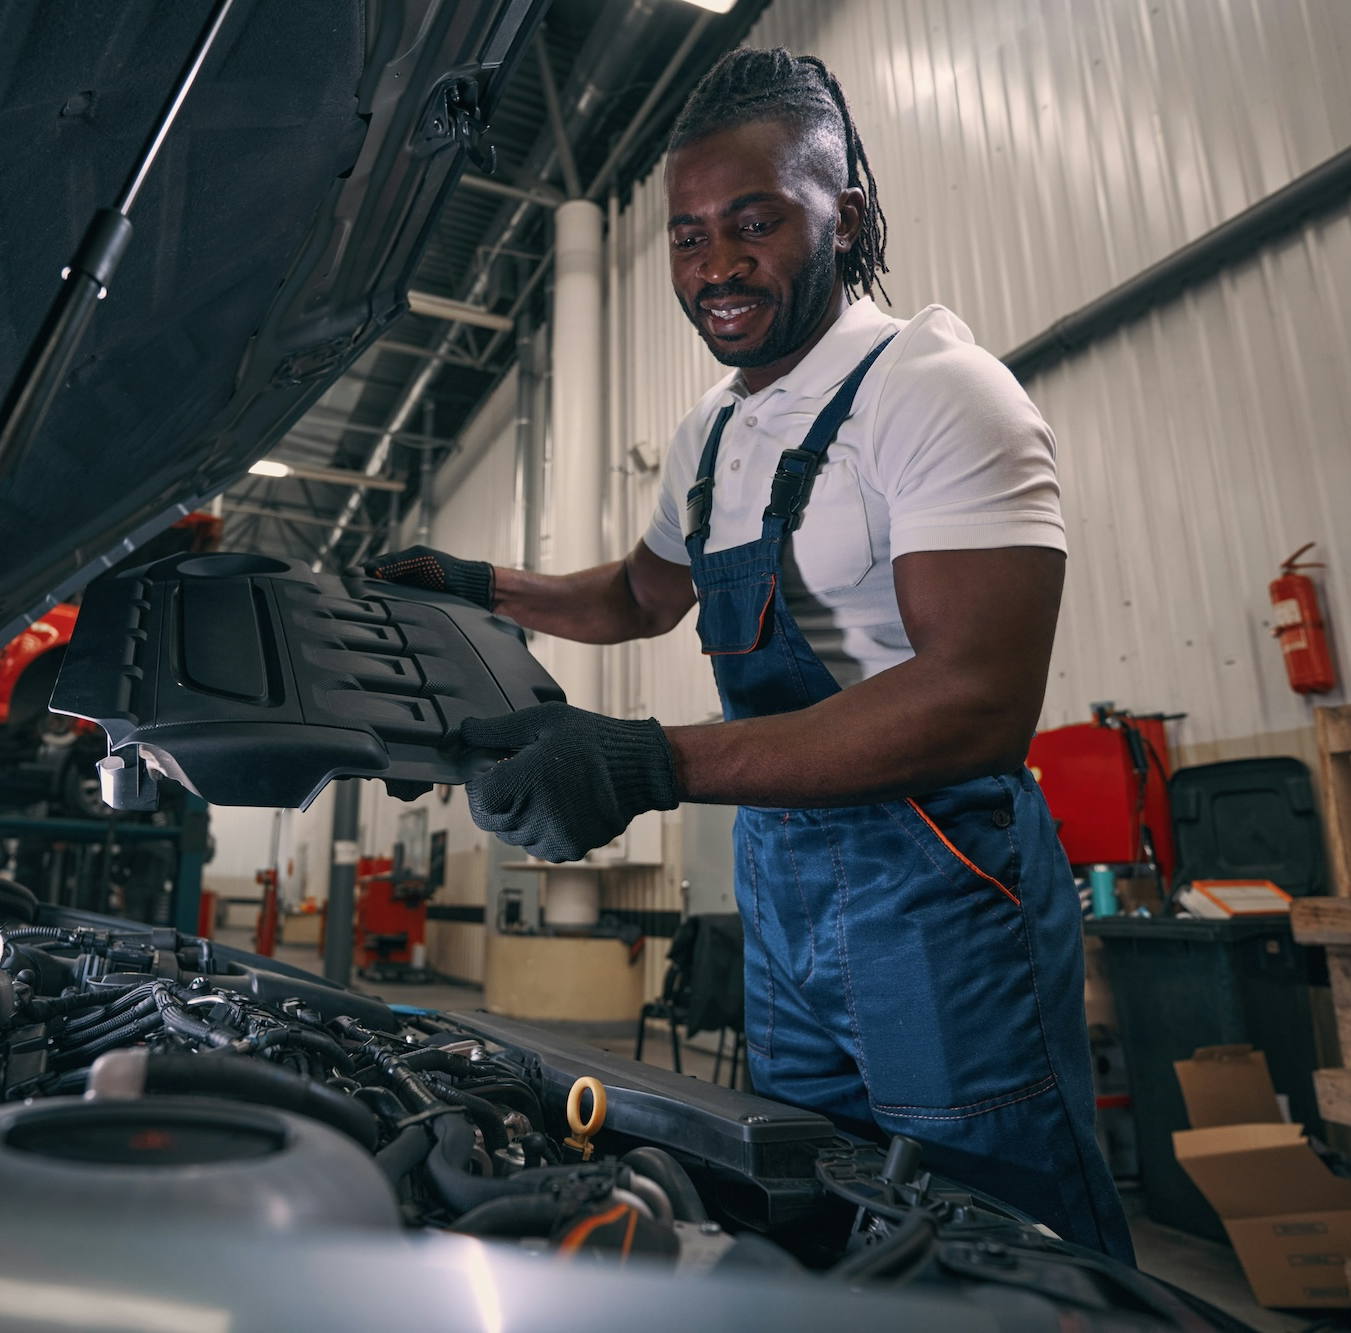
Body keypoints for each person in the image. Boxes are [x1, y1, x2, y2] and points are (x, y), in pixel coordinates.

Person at [366, 48, 1130, 1259]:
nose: (714, 264)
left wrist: (646, 761)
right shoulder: (712, 436)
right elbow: (639, 593)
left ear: (846, 217)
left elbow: (976, 699)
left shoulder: (935, 394)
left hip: (937, 895)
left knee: (994, 1241)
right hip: (779, 892)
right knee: (816, 1210)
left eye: (753, 222)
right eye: (686, 236)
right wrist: (481, 586)